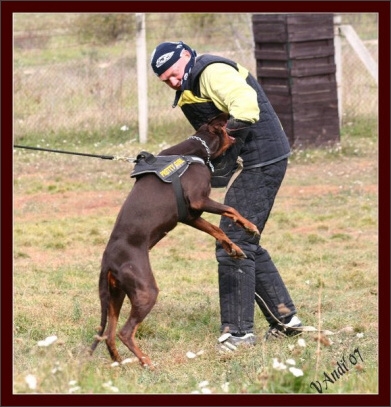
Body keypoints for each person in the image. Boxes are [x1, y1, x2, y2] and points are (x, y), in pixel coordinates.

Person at [150, 41, 303, 349]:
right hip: (254, 161)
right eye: (166, 80)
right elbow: (210, 132)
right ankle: (286, 320)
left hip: (262, 159)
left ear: (186, 56)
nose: (173, 82)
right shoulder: (192, 85)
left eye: (174, 74)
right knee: (244, 240)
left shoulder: (211, 72)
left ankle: (238, 335)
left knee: (233, 240)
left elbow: (245, 104)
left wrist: (228, 136)